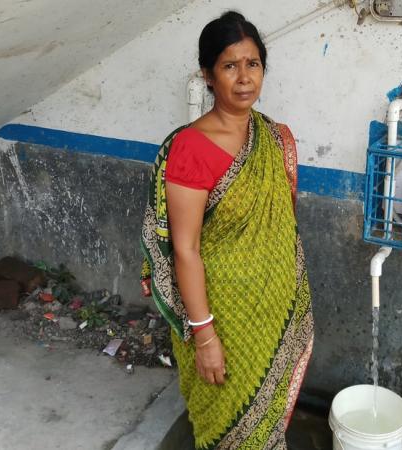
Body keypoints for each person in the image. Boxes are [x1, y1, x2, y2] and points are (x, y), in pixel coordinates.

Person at [139, 11, 314, 449]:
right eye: (229, 65)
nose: (243, 78)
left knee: (266, 431)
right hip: (220, 323)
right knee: (228, 431)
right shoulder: (192, 148)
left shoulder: (272, 137)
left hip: (271, 316)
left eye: (252, 64)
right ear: (208, 75)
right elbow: (186, 250)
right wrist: (205, 337)